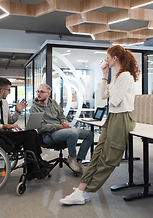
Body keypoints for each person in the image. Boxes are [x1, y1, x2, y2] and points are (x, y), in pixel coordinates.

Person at [59, 45, 139, 205]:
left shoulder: (126, 76)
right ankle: (81, 190)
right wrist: (105, 75)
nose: (105, 60)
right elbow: (103, 95)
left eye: (108, 57)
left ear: (115, 58)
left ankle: (86, 191)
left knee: (109, 158)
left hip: (122, 118)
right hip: (113, 117)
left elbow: (115, 101)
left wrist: (112, 89)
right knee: (97, 155)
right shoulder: (117, 77)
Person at [0, 78, 48, 180]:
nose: (9, 93)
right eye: (8, 90)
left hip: (3, 133)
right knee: (28, 135)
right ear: (2, 90)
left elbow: (10, 121)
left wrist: (18, 112)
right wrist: (4, 126)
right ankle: (32, 168)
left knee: (32, 132)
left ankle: (37, 160)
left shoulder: (4, 102)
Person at [30, 84, 94, 173]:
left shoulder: (54, 103)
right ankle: (72, 158)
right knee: (73, 133)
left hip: (61, 131)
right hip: (48, 135)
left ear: (48, 94)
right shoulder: (35, 108)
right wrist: (59, 126)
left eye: (41, 92)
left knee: (89, 134)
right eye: (38, 91)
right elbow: (40, 128)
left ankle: (79, 160)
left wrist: (64, 122)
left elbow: (62, 116)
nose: (38, 94)